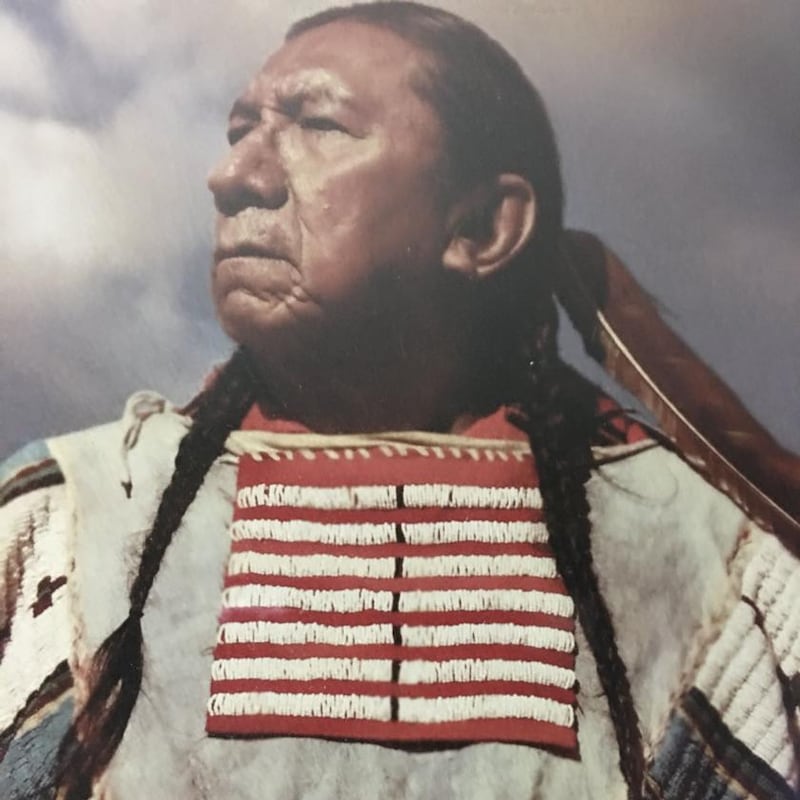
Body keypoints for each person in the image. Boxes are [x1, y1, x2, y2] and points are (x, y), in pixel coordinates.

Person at [1, 3, 798, 799]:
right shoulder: (65, 519)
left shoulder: (701, 565)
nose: (234, 175)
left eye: (318, 124)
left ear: (484, 226)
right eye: (240, 129)